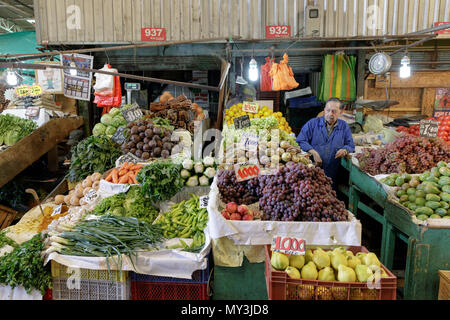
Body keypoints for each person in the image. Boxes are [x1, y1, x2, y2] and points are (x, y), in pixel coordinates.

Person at [296, 97, 355, 189]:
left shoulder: (344, 126)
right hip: (313, 169)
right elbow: (301, 140)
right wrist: (313, 152)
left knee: (328, 195)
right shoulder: (312, 124)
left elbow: (350, 145)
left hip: (333, 171)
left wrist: (345, 149)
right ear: (324, 110)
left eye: (334, 111)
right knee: (311, 193)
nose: (330, 114)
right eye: (328, 110)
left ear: (341, 112)